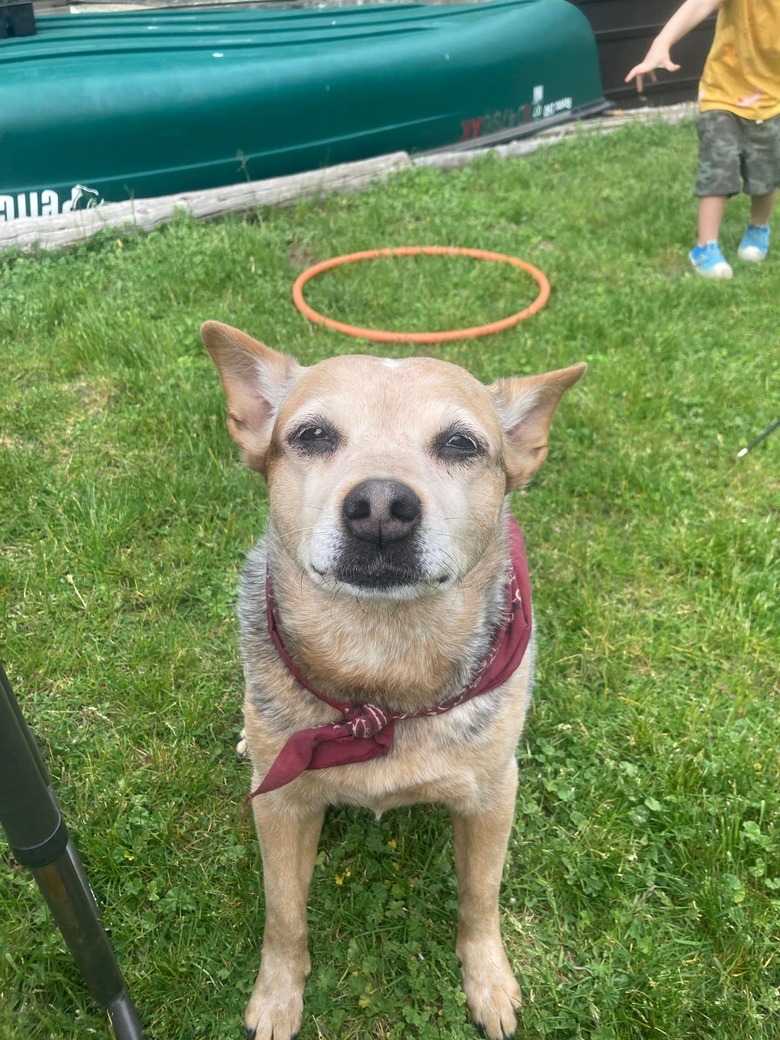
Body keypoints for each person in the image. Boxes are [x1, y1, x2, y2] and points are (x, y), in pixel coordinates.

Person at [625, 0, 780, 279]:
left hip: (772, 100)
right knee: (717, 166)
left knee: (766, 172)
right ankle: (705, 247)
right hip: (722, 92)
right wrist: (660, 45)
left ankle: (758, 228)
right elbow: (698, 5)